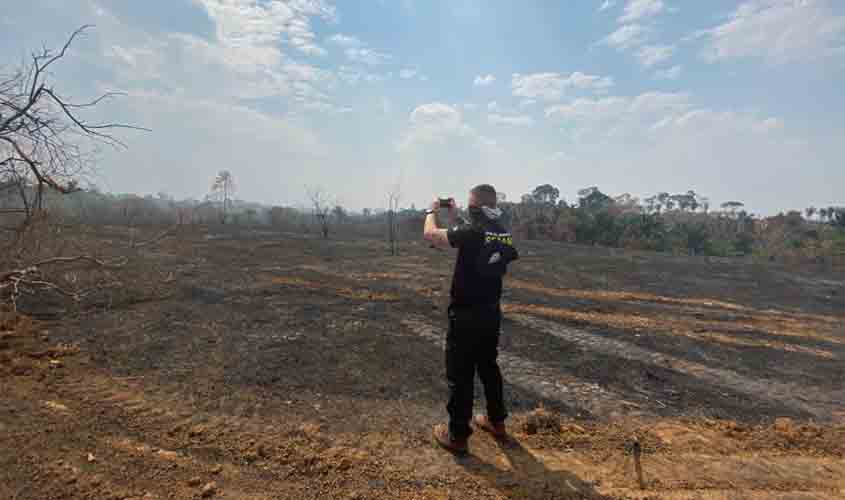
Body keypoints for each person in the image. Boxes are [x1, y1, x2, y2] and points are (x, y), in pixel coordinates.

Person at [423, 184, 519, 454]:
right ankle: (497, 423)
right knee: (489, 366)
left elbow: (431, 235)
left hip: (465, 314)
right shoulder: (501, 231)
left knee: (460, 374)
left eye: (469, 204)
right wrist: (455, 216)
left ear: (474, 206)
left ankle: (457, 436)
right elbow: (473, 235)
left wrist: (432, 210)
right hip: (491, 312)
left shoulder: (473, 231)